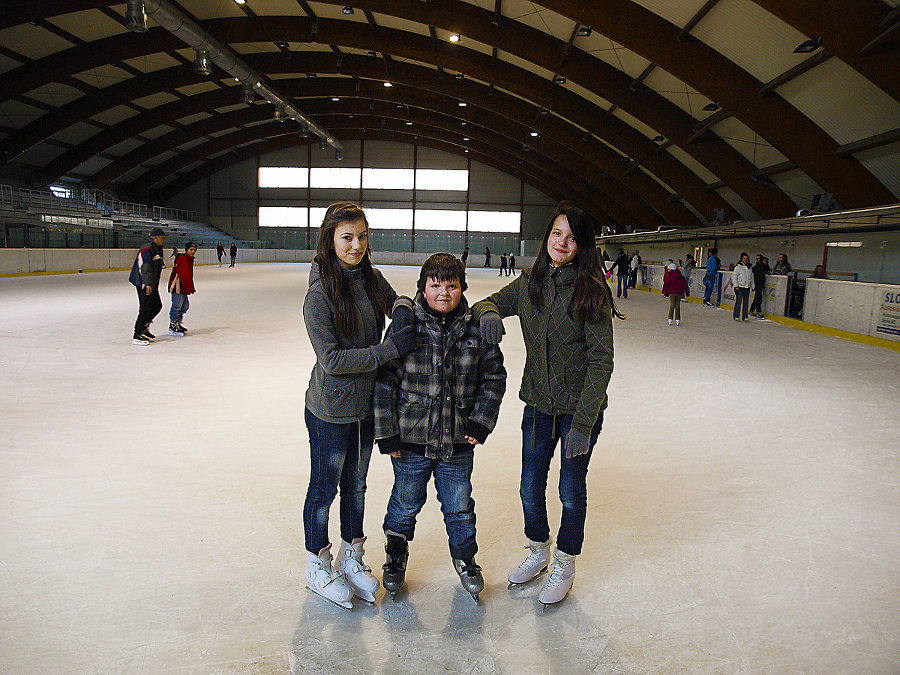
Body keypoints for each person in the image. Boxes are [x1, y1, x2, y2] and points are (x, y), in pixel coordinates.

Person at [473, 201, 621, 609]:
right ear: (547, 238)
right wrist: (488, 313)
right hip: (538, 405)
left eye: (572, 237)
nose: (563, 242)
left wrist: (585, 423)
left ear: (582, 245)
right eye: (557, 234)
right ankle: (538, 548)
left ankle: (565, 562)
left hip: (578, 411)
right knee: (529, 486)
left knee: (571, 490)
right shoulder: (528, 284)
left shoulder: (592, 291)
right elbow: (486, 303)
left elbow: (601, 360)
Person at [302, 202, 416, 609]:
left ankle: (353, 556)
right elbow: (332, 361)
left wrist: (402, 310)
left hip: (366, 408)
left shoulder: (369, 277)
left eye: (362, 236)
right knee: (324, 488)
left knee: (357, 485)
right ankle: (318, 563)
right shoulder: (319, 296)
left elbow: (395, 299)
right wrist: (387, 350)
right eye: (347, 237)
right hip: (330, 410)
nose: (356, 245)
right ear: (330, 240)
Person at [375, 253, 506, 603]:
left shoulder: (476, 327)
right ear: (422, 288)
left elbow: (494, 377)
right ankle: (395, 555)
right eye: (435, 286)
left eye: (452, 285)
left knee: (459, 505)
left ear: (462, 287)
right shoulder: (405, 326)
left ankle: (465, 558)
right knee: (405, 502)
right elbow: (385, 380)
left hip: (458, 440)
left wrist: (481, 421)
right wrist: (386, 432)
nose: (444, 293)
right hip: (410, 440)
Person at [129, 227, 166, 346]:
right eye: (162, 238)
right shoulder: (148, 249)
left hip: (151, 283)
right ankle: (138, 334)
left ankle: (144, 328)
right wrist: (147, 284)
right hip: (143, 282)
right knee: (145, 308)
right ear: (156, 238)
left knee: (156, 306)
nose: (163, 240)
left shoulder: (156, 248)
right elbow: (145, 267)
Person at [167, 241, 196, 337]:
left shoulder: (188, 259)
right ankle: (173, 326)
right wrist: (190, 287)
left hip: (183, 287)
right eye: (191, 249)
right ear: (186, 250)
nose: (193, 252)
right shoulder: (183, 259)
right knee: (176, 306)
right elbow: (184, 275)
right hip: (178, 286)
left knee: (185, 306)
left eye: (194, 250)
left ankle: (177, 323)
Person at [731, 252, 753, 322]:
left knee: (746, 303)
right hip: (739, 287)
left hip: (747, 287)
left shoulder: (749, 268)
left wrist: (752, 286)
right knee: (739, 301)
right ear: (741, 259)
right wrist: (736, 285)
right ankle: (736, 315)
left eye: (747, 258)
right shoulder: (738, 267)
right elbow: (734, 277)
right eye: (744, 258)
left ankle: (745, 316)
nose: (745, 260)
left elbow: (751, 278)